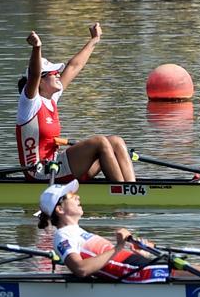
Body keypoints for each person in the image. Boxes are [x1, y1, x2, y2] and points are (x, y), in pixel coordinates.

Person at [38, 180, 200, 282]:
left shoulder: (77, 230)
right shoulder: (63, 235)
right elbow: (80, 269)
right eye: (71, 196)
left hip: (137, 265)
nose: (77, 196)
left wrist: (138, 250)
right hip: (137, 274)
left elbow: (108, 257)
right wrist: (119, 247)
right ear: (60, 209)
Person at [17, 23, 135, 183]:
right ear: (40, 82)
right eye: (53, 73)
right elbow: (34, 73)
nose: (58, 75)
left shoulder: (51, 98)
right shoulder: (29, 104)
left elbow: (74, 66)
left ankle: (131, 187)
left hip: (55, 166)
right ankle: (121, 192)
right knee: (99, 142)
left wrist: (95, 39)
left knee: (116, 141)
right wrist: (37, 47)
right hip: (38, 172)